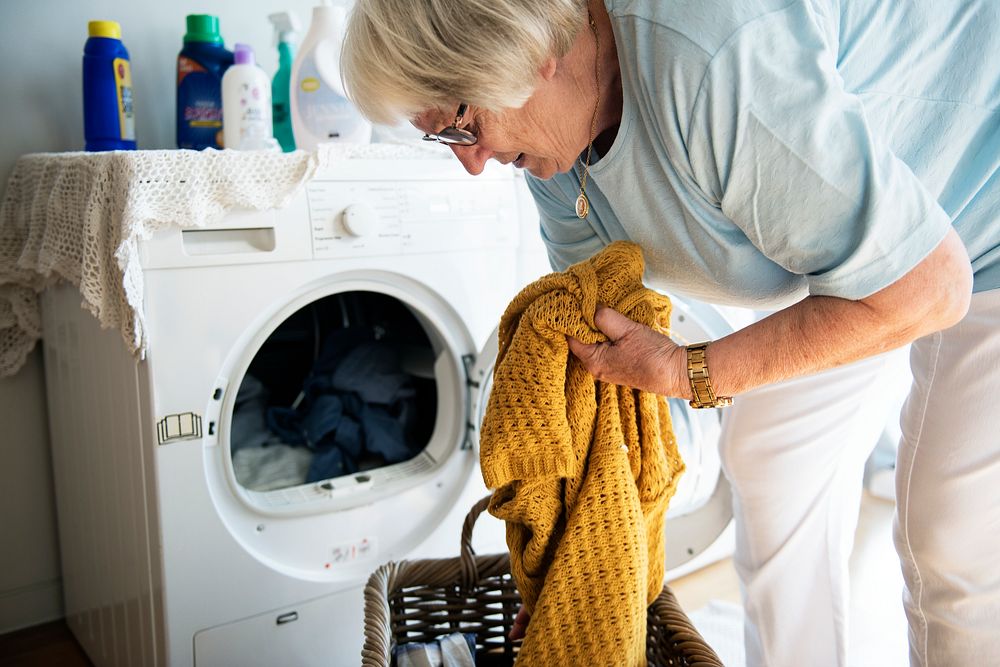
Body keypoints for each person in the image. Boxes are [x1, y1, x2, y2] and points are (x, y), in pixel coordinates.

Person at [342, 0, 1000, 664]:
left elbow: (927, 288)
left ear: (530, 51)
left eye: (461, 125)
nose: (474, 162)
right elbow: (595, 378)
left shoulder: (709, 58)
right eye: (443, 138)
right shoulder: (552, 156)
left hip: (980, 212)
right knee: (769, 451)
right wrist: (560, 574)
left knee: (950, 535)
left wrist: (690, 370)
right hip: (868, 253)